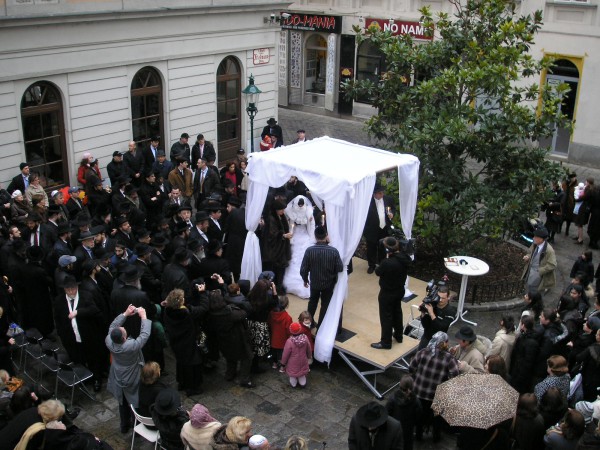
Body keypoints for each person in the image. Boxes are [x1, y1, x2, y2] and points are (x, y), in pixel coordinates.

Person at [105, 304, 150, 434]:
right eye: (123, 330)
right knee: (135, 401)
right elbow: (144, 335)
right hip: (132, 375)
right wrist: (144, 317)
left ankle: (124, 426)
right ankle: (138, 425)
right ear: (124, 338)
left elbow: (112, 326)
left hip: (117, 373)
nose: (123, 327)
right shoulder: (131, 346)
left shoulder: (109, 340)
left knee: (122, 401)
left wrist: (125, 314)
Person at [409, 331, 460, 442]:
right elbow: (455, 376)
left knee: (419, 416)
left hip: (419, 392)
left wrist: (417, 376)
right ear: (445, 343)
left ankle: (418, 436)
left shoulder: (423, 352)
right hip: (436, 396)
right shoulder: (449, 358)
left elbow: (411, 368)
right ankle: (436, 438)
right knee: (436, 419)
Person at [163, 288, 206, 396]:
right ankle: (192, 387)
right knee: (192, 365)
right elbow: (204, 308)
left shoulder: (168, 311)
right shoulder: (187, 313)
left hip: (176, 342)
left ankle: (182, 382)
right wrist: (203, 293)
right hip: (189, 342)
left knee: (181, 362)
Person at [300, 226, 343, 328]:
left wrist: (305, 279)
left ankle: (308, 324)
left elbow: (303, 269)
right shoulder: (334, 251)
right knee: (325, 304)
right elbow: (340, 268)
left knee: (312, 302)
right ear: (326, 235)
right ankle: (321, 326)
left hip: (315, 282)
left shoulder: (309, 251)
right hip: (328, 283)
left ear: (315, 236)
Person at [371, 236, 411, 350]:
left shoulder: (387, 263)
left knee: (386, 317)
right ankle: (399, 335)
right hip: (399, 290)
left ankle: (386, 342)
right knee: (397, 312)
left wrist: (384, 258)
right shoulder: (404, 259)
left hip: (387, 293)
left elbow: (378, 272)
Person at [283, 195, 315, 299]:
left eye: (302, 205)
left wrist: (312, 236)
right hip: (296, 234)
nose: (301, 207)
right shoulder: (292, 211)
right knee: (294, 256)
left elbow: (311, 226)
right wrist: (291, 236)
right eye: (299, 205)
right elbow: (291, 224)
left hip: (305, 234)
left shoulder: (308, 211)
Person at [363, 184, 395, 274]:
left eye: (382, 193)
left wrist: (392, 214)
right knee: (371, 248)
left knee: (383, 247)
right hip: (372, 229)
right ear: (374, 194)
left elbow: (393, 208)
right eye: (380, 193)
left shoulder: (388, 199)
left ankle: (382, 264)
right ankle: (371, 265)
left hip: (384, 228)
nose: (382, 195)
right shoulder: (367, 202)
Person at [385, 375, 422, 450]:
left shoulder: (392, 399)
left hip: (393, 428)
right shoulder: (416, 401)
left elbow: (386, 414)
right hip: (408, 430)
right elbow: (418, 417)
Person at [418, 285, 457, 349]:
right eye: (439, 297)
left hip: (439, 342)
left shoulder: (450, 311)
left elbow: (441, 328)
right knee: (419, 357)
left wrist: (432, 314)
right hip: (426, 338)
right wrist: (423, 313)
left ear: (448, 297)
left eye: (443, 298)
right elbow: (425, 325)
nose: (440, 300)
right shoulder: (432, 305)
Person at [510, 315, 540, 394]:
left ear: (523, 325)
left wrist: (518, 376)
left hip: (520, 376)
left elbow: (527, 362)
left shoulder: (530, 342)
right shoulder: (526, 337)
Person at [522, 227, 557, 295]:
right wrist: (528, 256)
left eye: (535, 237)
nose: (533, 238)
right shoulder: (535, 244)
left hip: (538, 274)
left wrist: (540, 271)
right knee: (528, 285)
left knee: (534, 291)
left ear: (541, 239)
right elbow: (530, 252)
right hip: (530, 270)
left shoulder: (549, 250)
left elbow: (552, 265)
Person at [281, 322, 312, 388]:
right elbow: (309, 349)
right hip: (303, 360)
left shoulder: (289, 341)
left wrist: (283, 363)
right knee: (302, 372)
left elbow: (285, 354)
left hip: (293, 362)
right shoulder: (305, 338)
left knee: (293, 374)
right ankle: (302, 382)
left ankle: (294, 383)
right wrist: (309, 356)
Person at [268, 296, 292, 371]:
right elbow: (289, 330)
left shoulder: (271, 314)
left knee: (274, 353)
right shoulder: (288, 317)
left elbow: (269, 324)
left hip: (273, 340)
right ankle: (282, 367)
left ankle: (274, 364)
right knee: (282, 355)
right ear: (286, 305)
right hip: (283, 341)